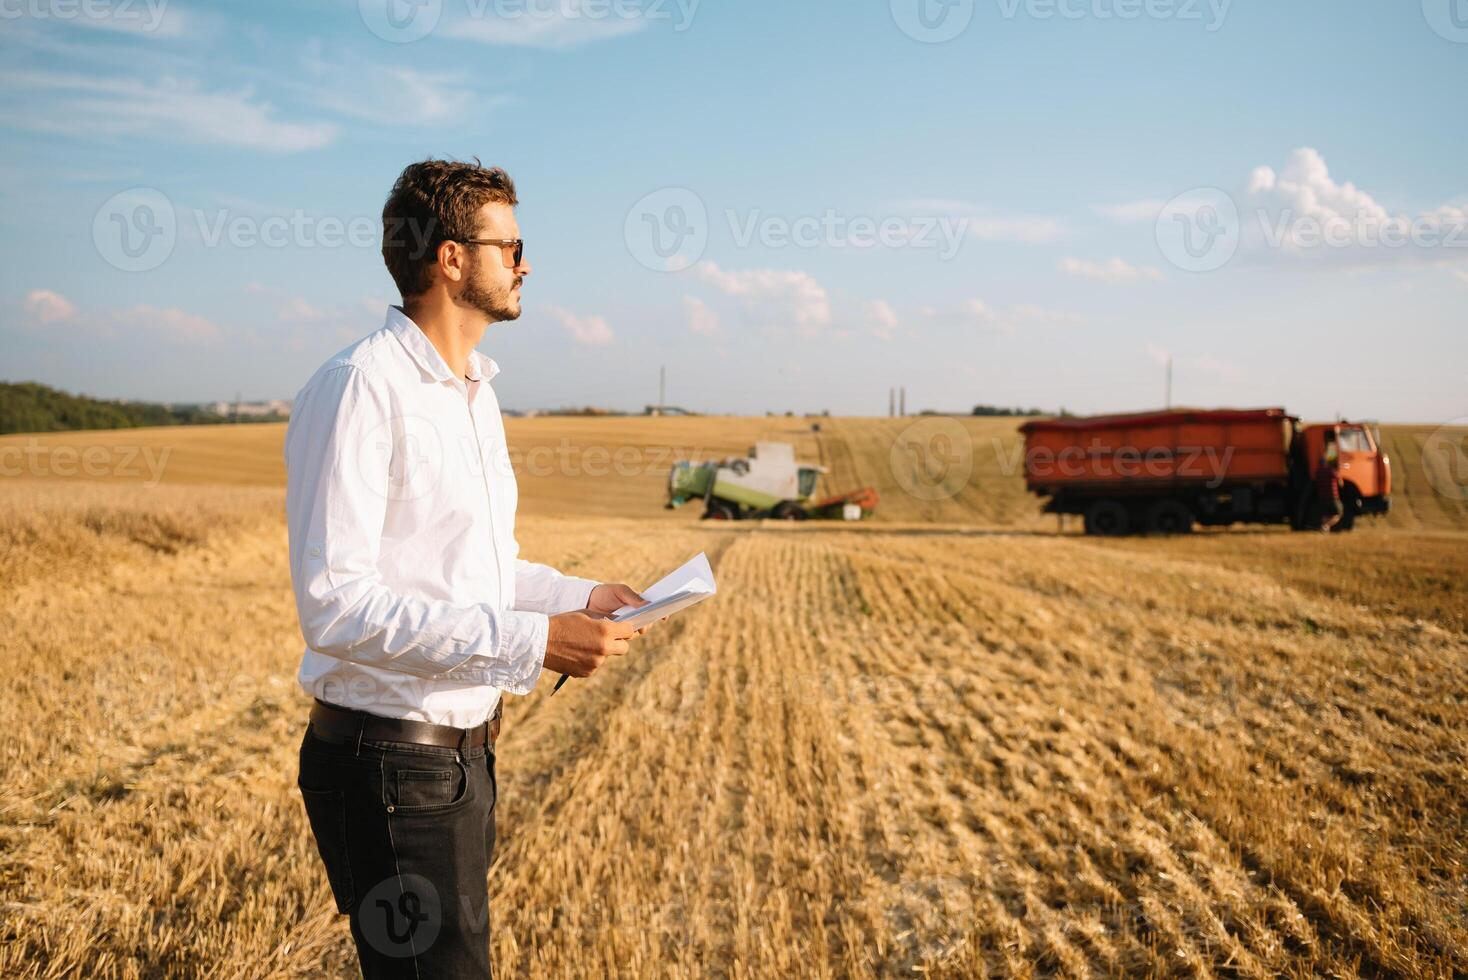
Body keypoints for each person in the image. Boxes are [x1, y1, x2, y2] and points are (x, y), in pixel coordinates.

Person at [284, 159, 652, 978]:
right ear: (451, 258)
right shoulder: (359, 388)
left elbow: (477, 570)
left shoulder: (473, 391)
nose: (527, 263)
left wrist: (581, 597)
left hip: (458, 762)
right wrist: (533, 644)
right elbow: (335, 607)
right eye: (511, 245)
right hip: (392, 766)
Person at [1315, 439, 1343, 533]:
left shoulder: (1318, 472)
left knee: (1325, 515)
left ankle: (1325, 531)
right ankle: (1326, 526)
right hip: (1332, 497)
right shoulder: (1331, 471)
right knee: (1338, 514)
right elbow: (1340, 483)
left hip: (1322, 497)